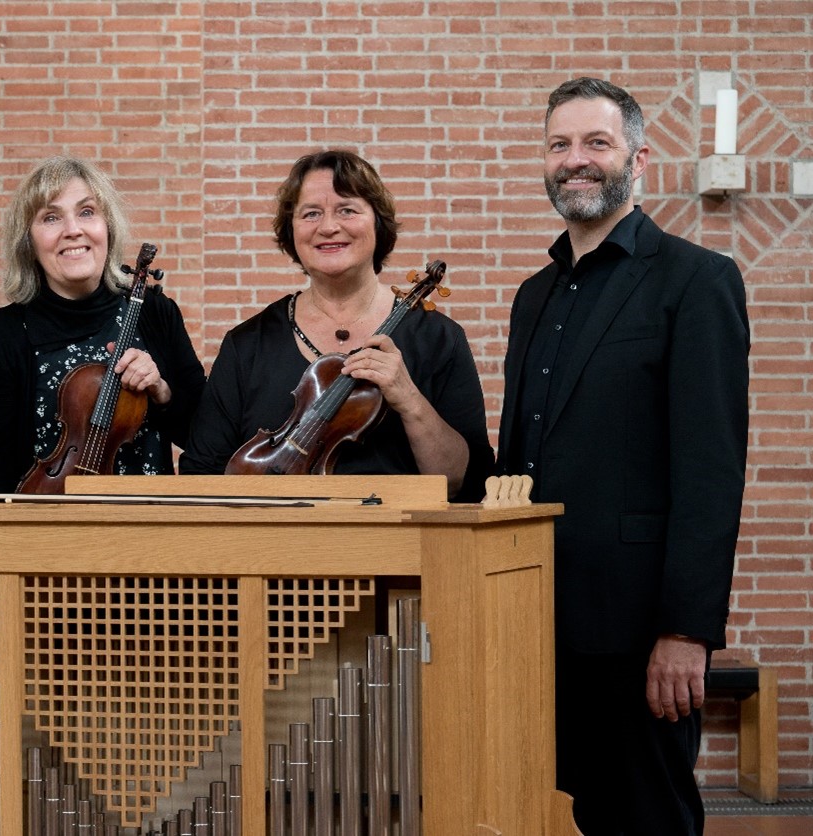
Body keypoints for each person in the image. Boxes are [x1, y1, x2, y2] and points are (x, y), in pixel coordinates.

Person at [497, 77, 749, 834]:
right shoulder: (531, 296)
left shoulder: (695, 280)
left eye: (595, 143)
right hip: (536, 614)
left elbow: (710, 470)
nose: (575, 160)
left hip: (639, 628)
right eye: (559, 144)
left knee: (647, 820)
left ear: (638, 160)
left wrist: (686, 630)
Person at [178, 149, 492, 500]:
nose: (328, 227)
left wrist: (409, 399)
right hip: (276, 548)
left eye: (347, 210)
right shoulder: (248, 344)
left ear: (377, 223)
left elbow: (468, 482)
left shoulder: (437, 339)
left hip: (398, 546)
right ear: (292, 231)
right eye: (311, 213)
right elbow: (201, 473)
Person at [0, 156, 205, 493]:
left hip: (147, 524)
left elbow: (205, 438)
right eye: (50, 217)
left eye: (87, 212)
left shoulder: (154, 313)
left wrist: (161, 392)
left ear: (108, 226)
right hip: (44, 529)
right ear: (28, 242)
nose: (73, 230)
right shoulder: (1, 335)